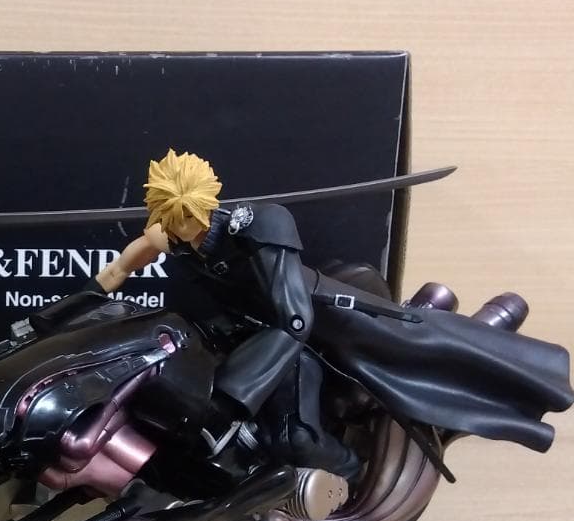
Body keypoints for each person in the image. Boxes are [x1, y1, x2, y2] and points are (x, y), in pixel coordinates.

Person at [93, 149, 573, 474]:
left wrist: (234, 394)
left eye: (189, 217)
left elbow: (294, 318)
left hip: (321, 320)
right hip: (258, 334)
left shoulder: (261, 224)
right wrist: (71, 312)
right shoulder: (164, 235)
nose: (184, 228)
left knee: (421, 350)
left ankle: (528, 385)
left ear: (205, 203)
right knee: (286, 437)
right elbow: (116, 272)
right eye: (173, 219)